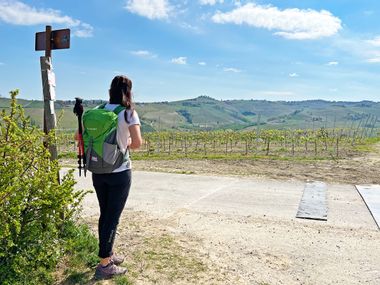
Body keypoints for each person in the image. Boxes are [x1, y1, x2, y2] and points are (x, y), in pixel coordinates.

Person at [90, 75, 142, 279]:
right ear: (128, 91)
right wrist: (127, 141)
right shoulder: (128, 113)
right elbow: (137, 143)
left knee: (105, 214)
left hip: (98, 170)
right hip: (119, 171)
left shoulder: (99, 110)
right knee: (112, 218)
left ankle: (108, 254)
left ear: (110, 90)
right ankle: (104, 264)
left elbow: (83, 136)